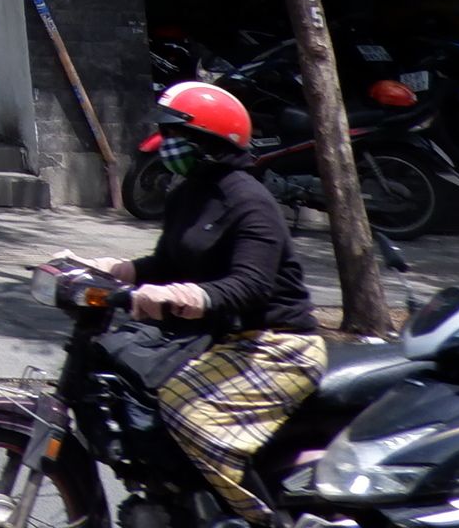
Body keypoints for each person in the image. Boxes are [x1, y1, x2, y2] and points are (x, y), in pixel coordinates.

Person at [101, 80, 322, 521]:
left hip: (277, 347)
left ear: (209, 142)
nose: (166, 145)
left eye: (177, 136)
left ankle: (259, 518)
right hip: (223, 341)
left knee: (187, 414)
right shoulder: (188, 194)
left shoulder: (250, 201)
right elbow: (169, 262)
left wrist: (188, 296)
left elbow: (250, 284)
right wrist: (120, 270)